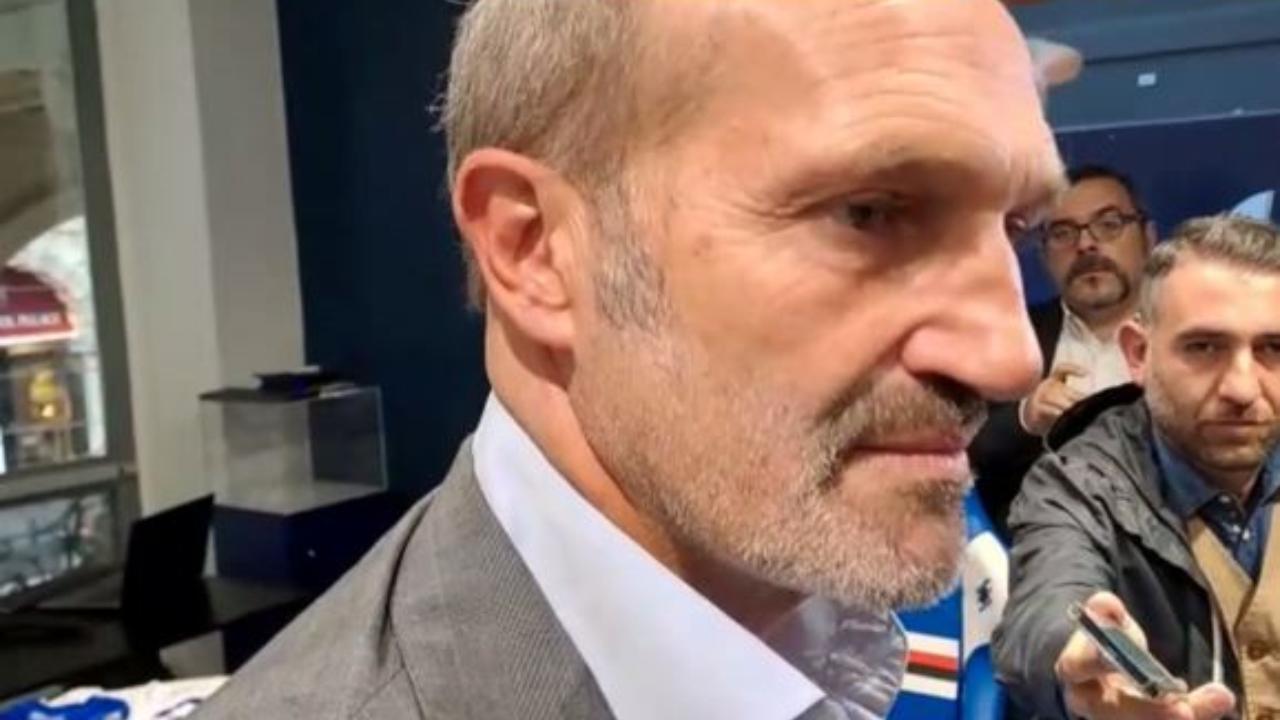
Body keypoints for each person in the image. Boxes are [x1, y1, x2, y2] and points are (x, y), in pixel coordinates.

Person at [198, 1, 1064, 717]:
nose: (1010, 358)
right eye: (868, 213)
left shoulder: (839, 613)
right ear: (535, 249)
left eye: (1017, 227)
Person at [994, 214, 1280, 720]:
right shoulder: (1076, 485)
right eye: (1204, 348)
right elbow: (1046, 605)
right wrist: (1079, 653)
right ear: (1139, 353)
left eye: (1273, 349)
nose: (1241, 387)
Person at [971, 165, 1156, 538]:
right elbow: (961, 455)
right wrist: (1027, 417)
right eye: (1063, 233)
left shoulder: (1191, 336)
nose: (1086, 245)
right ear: (1043, 255)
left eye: (1109, 224)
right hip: (1038, 548)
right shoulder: (1005, 337)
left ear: (1148, 238)